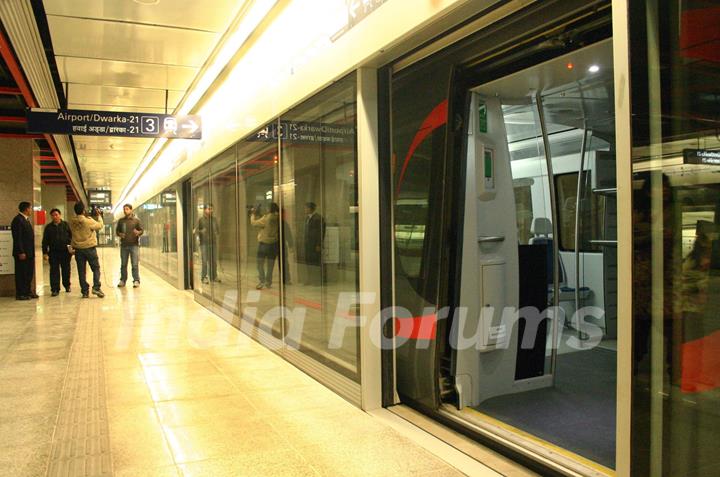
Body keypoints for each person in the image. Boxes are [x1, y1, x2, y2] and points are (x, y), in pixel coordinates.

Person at [69, 202, 105, 298]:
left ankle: (85, 291)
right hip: (89, 249)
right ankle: (96, 287)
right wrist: (99, 216)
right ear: (83, 210)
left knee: (81, 271)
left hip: (78, 250)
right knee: (96, 268)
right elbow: (100, 225)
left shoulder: (72, 222)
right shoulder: (88, 221)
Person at [42, 208, 72, 296]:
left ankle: (67, 285)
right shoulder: (48, 227)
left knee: (66, 270)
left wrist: (71, 249)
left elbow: (71, 238)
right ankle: (55, 289)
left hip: (65, 252)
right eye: (53, 215)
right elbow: (45, 241)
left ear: (60, 215)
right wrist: (45, 253)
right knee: (54, 271)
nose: (55, 216)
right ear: (51, 216)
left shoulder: (66, 225)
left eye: (56, 214)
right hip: (53, 253)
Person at [11, 201, 37, 300]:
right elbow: (18, 238)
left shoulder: (25, 220)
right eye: (30, 208)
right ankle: (21, 293)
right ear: (26, 209)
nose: (31, 210)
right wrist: (21, 251)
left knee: (28, 273)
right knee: (21, 274)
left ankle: (27, 291)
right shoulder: (18, 220)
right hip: (22, 253)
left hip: (29, 252)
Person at [251, 202, 279, 289]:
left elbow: (254, 223)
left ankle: (262, 281)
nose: (266, 209)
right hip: (274, 244)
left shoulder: (267, 218)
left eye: (267, 207)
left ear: (269, 208)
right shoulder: (277, 217)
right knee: (270, 265)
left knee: (260, 263)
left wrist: (252, 214)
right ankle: (268, 282)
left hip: (264, 244)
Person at [116, 203, 144, 288]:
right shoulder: (121, 221)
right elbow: (117, 231)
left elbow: (141, 230)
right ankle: (123, 280)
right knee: (123, 264)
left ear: (131, 210)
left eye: (127, 209)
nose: (125, 210)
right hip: (124, 245)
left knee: (134, 264)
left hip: (134, 245)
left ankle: (136, 280)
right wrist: (120, 234)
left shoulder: (136, 221)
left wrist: (138, 232)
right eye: (124, 209)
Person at [194, 204, 219, 284]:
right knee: (205, 261)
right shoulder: (200, 220)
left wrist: (216, 232)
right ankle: (204, 277)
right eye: (209, 209)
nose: (211, 210)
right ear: (205, 210)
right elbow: (195, 231)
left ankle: (214, 276)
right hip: (204, 243)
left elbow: (218, 231)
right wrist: (202, 231)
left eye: (212, 209)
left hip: (213, 242)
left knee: (214, 261)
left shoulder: (214, 219)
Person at [303, 202, 325, 285]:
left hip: (315, 244)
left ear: (310, 208)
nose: (305, 210)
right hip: (308, 244)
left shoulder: (318, 218)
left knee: (315, 263)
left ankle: (317, 281)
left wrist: (319, 244)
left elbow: (321, 232)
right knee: (309, 262)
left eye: (306, 208)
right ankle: (310, 279)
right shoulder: (307, 218)